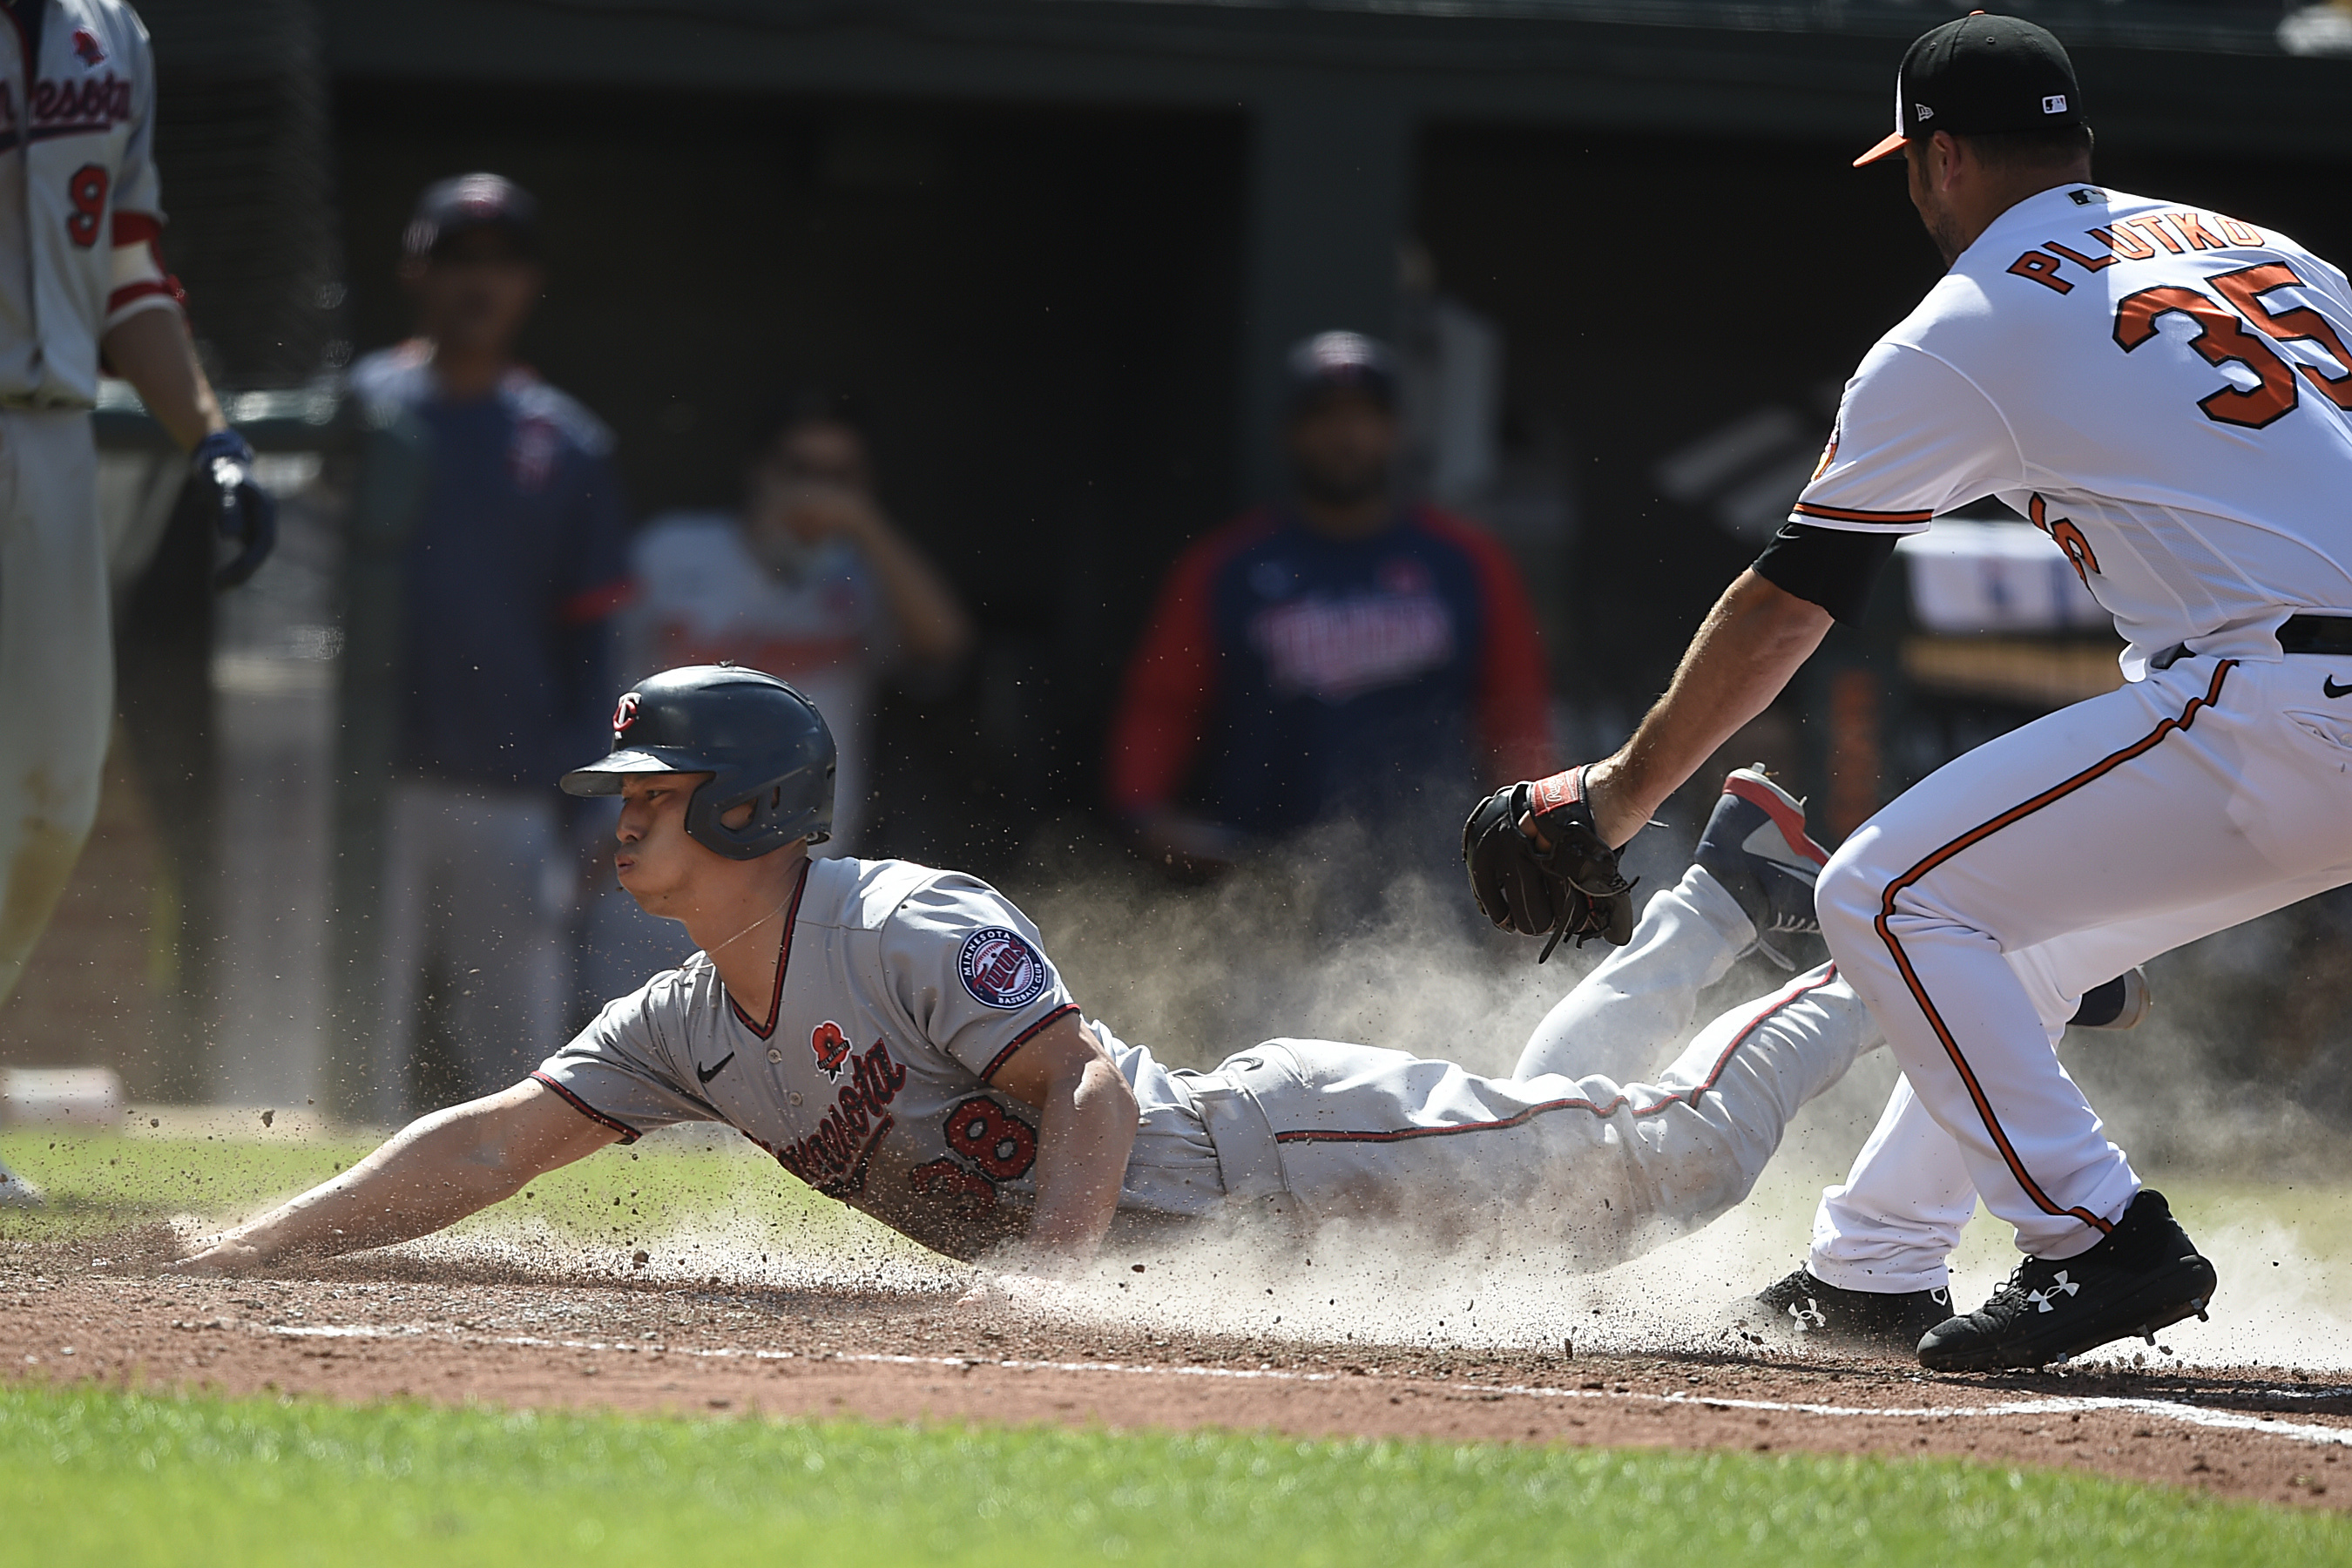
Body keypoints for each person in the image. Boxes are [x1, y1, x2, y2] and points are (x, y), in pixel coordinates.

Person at [1472, 14, 2352, 1370]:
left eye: (1909, 165)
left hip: (2287, 703)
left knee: (1882, 890)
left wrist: (1618, 793)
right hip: (2295, 699)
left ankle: (2097, 1239)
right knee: (2023, 933)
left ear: (1938, 159)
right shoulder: (2263, 250)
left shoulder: (1967, 324)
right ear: (2078, 146)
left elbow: (1791, 601)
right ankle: (1875, 1271)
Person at [174, 665, 1896, 1279]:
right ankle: (1717, 906)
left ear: (754, 806)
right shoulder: (688, 1023)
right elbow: (487, 1146)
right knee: (1559, 1121)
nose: (623, 819)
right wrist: (250, 1243)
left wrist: (1052, 1278)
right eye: (620, 792)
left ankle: (1877, 945)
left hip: (1273, 1162)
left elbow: (1083, 1086)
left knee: (1664, 1171)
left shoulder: (904, 916)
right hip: (1251, 1219)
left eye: (655, 792)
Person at [0, 0, 275, 1209]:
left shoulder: (111, 31)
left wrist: (209, 435)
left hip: (57, 439)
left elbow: (128, 263)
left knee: (51, 801)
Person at [346, 173, 632, 1125]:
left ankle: (510, 1242)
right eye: (457, 260)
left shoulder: (566, 441)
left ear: (529, 282)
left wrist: (595, 794)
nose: (479, 283)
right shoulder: (355, 411)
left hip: (511, 785)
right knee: (350, 1034)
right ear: (414, 273)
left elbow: (595, 639)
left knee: (515, 1053)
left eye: (501, 263)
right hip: (363, 785)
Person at [1108, 331, 1554, 876]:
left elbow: (1515, 711)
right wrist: (1143, 809)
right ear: (1291, 433)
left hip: (1431, 866)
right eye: (1325, 416)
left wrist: (1534, 832)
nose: (1346, 436)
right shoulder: (1229, 565)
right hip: (1265, 871)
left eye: (1365, 416)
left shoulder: (1466, 560)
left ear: (1395, 432)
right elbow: (1164, 703)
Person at [622, 397, 971, 854]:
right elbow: (586, 670)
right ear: (758, 468)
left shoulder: (869, 571)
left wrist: (865, 524)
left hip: (806, 856)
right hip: (659, 845)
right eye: (799, 470)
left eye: (841, 477)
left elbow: (948, 644)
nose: (820, 493)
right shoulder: (672, 549)